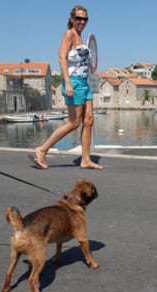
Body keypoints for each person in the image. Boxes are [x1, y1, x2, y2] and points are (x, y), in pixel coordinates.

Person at [34, 5, 103, 170]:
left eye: (85, 19)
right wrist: (68, 82)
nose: (82, 22)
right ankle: (42, 149)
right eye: (78, 18)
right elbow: (61, 58)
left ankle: (85, 159)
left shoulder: (80, 38)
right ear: (72, 19)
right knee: (73, 122)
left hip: (84, 83)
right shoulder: (69, 34)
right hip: (73, 81)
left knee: (89, 121)